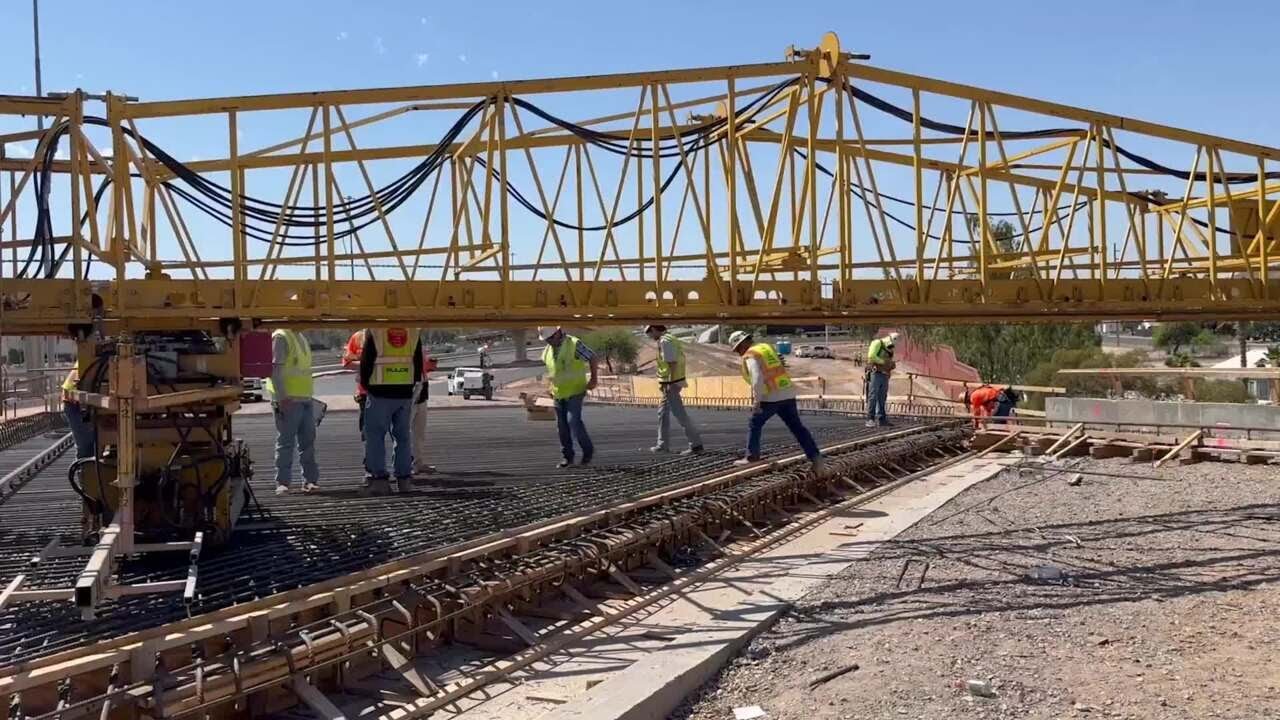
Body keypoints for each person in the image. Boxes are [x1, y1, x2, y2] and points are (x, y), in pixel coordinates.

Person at [728, 330, 825, 473]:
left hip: (770, 397)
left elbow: (757, 378)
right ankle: (816, 458)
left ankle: (751, 457)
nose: (739, 353)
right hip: (787, 393)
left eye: (738, 349)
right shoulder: (766, 348)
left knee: (755, 423)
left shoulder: (751, 355)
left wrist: (757, 401)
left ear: (742, 343)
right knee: (798, 428)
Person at [359, 326, 424, 495]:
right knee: (403, 437)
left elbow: (366, 363)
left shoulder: (376, 331)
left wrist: (368, 386)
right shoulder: (412, 332)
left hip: (379, 393)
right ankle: (404, 481)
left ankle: (379, 481)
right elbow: (418, 365)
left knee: (375, 437)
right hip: (403, 394)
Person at [265, 328, 319, 495]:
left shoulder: (300, 336)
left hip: (305, 398)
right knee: (286, 442)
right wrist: (282, 397)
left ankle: (310, 481)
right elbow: (275, 369)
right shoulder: (281, 337)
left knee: (307, 442)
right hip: (288, 400)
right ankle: (282, 482)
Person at [538, 326, 599, 468]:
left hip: (576, 391)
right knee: (562, 427)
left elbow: (592, 357)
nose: (549, 342)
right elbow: (554, 371)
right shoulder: (547, 350)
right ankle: (568, 457)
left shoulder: (573, 344)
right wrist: (549, 387)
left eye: (550, 338)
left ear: (558, 333)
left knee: (573, 422)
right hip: (558, 393)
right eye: (546, 340)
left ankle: (587, 452)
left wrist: (594, 379)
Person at [643, 324, 704, 455]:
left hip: (672, 383)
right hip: (670, 382)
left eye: (650, 334)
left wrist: (669, 383)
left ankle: (696, 445)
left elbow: (671, 362)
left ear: (653, 330)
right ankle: (662, 444)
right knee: (662, 413)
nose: (650, 337)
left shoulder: (666, 340)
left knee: (680, 415)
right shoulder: (670, 339)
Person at [411, 350, 439, 475]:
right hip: (410, 392)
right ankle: (405, 465)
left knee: (419, 432)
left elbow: (424, 367)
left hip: (421, 392)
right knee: (404, 433)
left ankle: (418, 463)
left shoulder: (420, 348)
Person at [61, 365, 96, 458]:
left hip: (84, 402)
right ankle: (83, 469)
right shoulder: (89, 358)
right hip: (75, 404)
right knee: (87, 447)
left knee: (92, 445)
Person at [864, 333, 897, 427]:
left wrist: (890, 367)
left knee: (882, 397)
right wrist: (884, 362)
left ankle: (882, 419)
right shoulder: (877, 343)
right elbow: (871, 356)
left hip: (884, 374)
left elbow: (889, 360)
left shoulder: (889, 348)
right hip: (875, 373)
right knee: (873, 396)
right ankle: (870, 419)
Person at [341, 329, 368, 439]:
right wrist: (366, 364)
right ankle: (368, 454)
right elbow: (347, 363)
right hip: (365, 392)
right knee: (367, 431)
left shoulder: (390, 334)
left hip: (391, 392)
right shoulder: (358, 337)